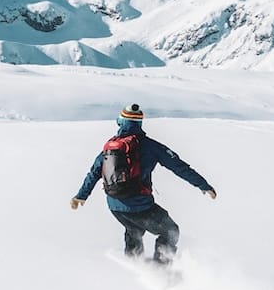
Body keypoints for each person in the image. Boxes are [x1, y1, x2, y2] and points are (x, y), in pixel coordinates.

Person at [70, 104, 216, 264]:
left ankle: (133, 267)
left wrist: (80, 196)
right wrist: (203, 185)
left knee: (134, 229)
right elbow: (179, 167)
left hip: (114, 206)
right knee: (170, 231)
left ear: (120, 122)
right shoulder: (151, 146)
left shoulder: (111, 147)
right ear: (139, 123)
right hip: (140, 206)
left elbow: (94, 172)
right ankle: (161, 270)